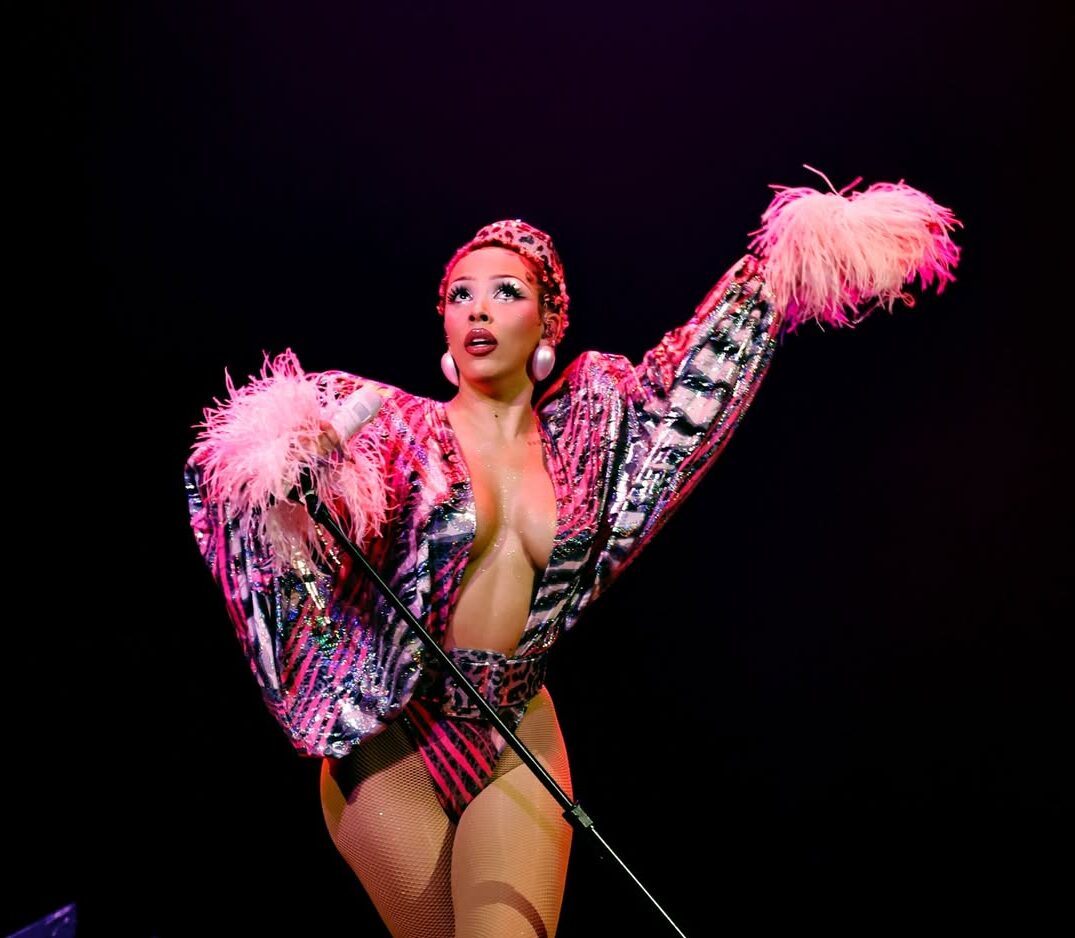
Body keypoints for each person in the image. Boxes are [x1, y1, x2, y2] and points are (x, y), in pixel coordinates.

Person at [185, 175, 960, 937]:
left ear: (547, 321)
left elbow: (692, 382)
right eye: (459, 295)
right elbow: (249, 497)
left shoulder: (592, 433)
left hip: (516, 726)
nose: (478, 309)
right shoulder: (391, 430)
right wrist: (282, 477)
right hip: (392, 735)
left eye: (505, 292)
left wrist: (785, 264)